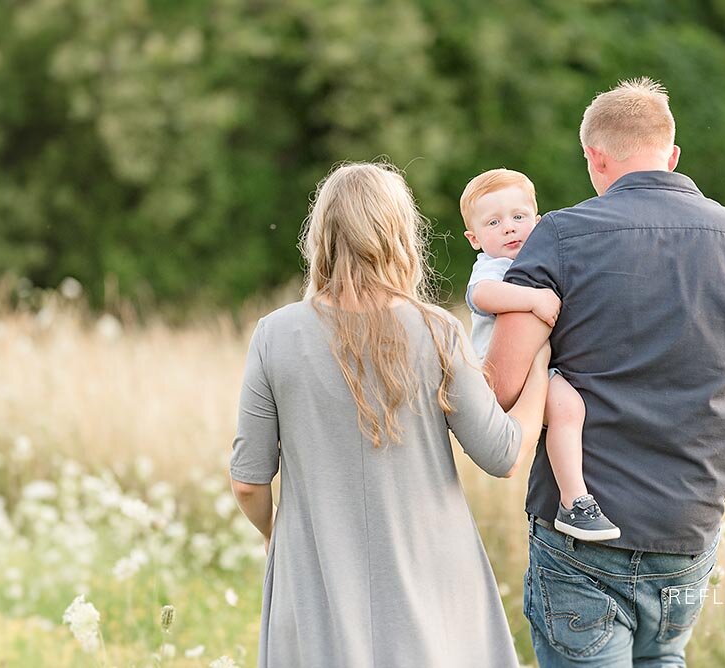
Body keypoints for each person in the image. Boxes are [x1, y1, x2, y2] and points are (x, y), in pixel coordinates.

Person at [486, 77, 725, 666]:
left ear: (594, 158)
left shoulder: (560, 235)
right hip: (689, 526)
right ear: (672, 155)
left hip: (581, 533)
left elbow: (500, 385)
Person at [228, 162, 550, 668]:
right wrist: (540, 370)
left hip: (314, 586)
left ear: (322, 238)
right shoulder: (438, 331)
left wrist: (276, 536)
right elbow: (505, 455)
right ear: (400, 235)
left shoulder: (274, 335)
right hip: (435, 588)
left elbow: (248, 482)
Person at [460, 168, 620, 542]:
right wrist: (532, 298)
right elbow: (482, 296)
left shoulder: (541, 261)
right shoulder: (491, 267)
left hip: (539, 367)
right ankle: (575, 500)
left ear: (538, 220)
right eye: (494, 222)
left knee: (570, 409)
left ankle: (574, 501)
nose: (509, 228)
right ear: (474, 238)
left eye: (519, 217)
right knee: (567, 409)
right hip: (496, 370)